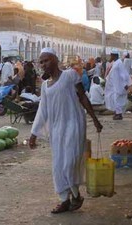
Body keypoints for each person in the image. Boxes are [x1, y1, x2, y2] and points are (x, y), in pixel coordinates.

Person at [29, 48, 103, 214]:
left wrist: (95, 120)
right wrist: (33, 134)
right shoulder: (45, 86)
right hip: (56, 129)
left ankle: (76, 195)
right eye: (41, 62)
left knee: (69, 163)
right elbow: (43, 110)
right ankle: (65, 200)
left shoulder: (70, 75)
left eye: (46, 60)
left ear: (55, 59)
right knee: (58, 165)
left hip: (74, 123)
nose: (43, 64)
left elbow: (83, 97)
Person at [105, 50, 132, 120]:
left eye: (111, 55)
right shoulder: (115, 63)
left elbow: (124, 75)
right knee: (114, 99)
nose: (110, 57)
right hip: (114, 86)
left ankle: (119, 114)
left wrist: (126, 85)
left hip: (119, 86)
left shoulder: (119, 63)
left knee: (117, 100)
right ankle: (117, 113)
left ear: (114, 55)